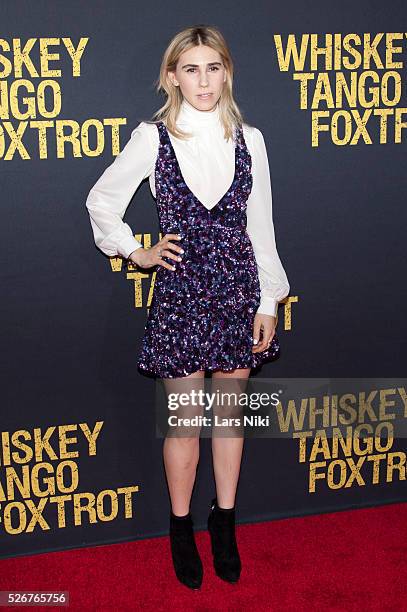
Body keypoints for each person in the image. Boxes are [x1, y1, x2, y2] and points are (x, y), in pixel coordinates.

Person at [86, 24, 290, 590]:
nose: (204, 80)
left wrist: (269, 297)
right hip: (180, 296)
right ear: (172, 76)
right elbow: (102, 200)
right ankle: (181, 527)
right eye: (192, 69)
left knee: (228, 419)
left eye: (214, 67)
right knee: (185, 425)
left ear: (227, 71)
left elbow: (262, 228)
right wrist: (137, 250)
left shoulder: (252, 139)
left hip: (237, 291)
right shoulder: (152, 138)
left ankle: (223, 522)